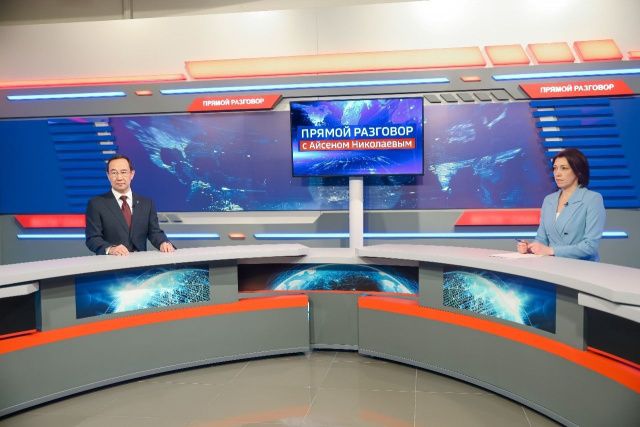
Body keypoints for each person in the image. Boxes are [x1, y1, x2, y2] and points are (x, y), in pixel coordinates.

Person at [517, 148, 605, 261]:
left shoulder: (592, 199)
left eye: (564, 168)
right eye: (555, 168)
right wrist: (531, 248)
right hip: (552, 265)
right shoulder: (549, 200)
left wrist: (551, 251)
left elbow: (590, 246)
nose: (557, 173)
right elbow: (541, 239)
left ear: (578, 171)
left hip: (581, 266)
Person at [85, 154, 175, 256]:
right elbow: (92, 239)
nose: (119, 177)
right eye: (114, 173)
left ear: (132, 174)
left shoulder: (146, 203)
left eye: (123, 172)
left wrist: (163, 243)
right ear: (108, 175)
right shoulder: (96, 204)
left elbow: (154, 232)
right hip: (112, 262)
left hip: (140, 262)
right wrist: (111, 249)